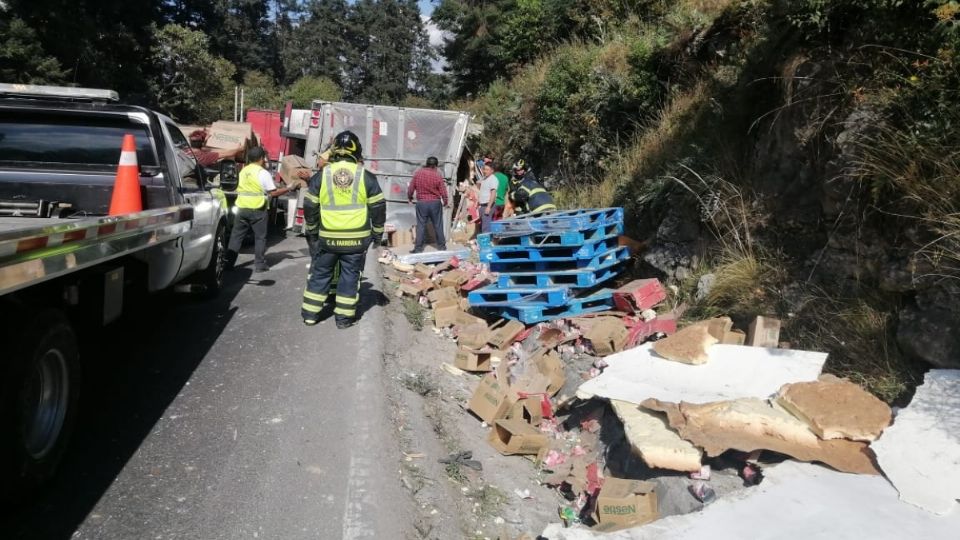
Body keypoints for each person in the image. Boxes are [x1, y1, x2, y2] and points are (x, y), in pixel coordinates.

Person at [301, 131, 385, 329]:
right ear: (357, 152)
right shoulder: (366, 177)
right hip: (356, 242)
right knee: (350, 277)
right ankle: (343, 319)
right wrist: (378, 233)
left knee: (320, 275)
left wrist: (312, 230)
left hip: (327, 239)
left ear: (335, 150)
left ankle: (310, 316)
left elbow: (310, 206)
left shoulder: (322, 176)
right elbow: (378, 208)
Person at [225, 146, 296, 272]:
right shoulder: (262, 173)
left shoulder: (243, 171)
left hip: (241, 208)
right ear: (261, 158)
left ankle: (228, 264)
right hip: (257, 209)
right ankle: (259, 264)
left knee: (236, 237)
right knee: (260, 237)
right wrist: (289, 188)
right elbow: (273, 193)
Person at [407, 156, 449, 253]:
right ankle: (442, 246)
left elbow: (411, 188)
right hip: (435, 203)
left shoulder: (418, 174)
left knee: (421, 225)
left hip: (421, 203)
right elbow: (443, 190)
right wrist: (445, 201)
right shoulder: (437, 175)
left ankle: (418, 248)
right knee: (438, 225)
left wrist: (410, 198)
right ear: (435, 165)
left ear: (427, 163)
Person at [479, 163, 499, 233]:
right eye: (484, 169)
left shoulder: (493, 179)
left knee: (486, 226)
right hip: (482, 205)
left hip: (488, 205)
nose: (485, 171)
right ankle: (485, 241)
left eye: (487, 170)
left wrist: (489, 206)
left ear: (492, 171)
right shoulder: (484, 178)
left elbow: (493, 193)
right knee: (484, 224)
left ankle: (486, 242)